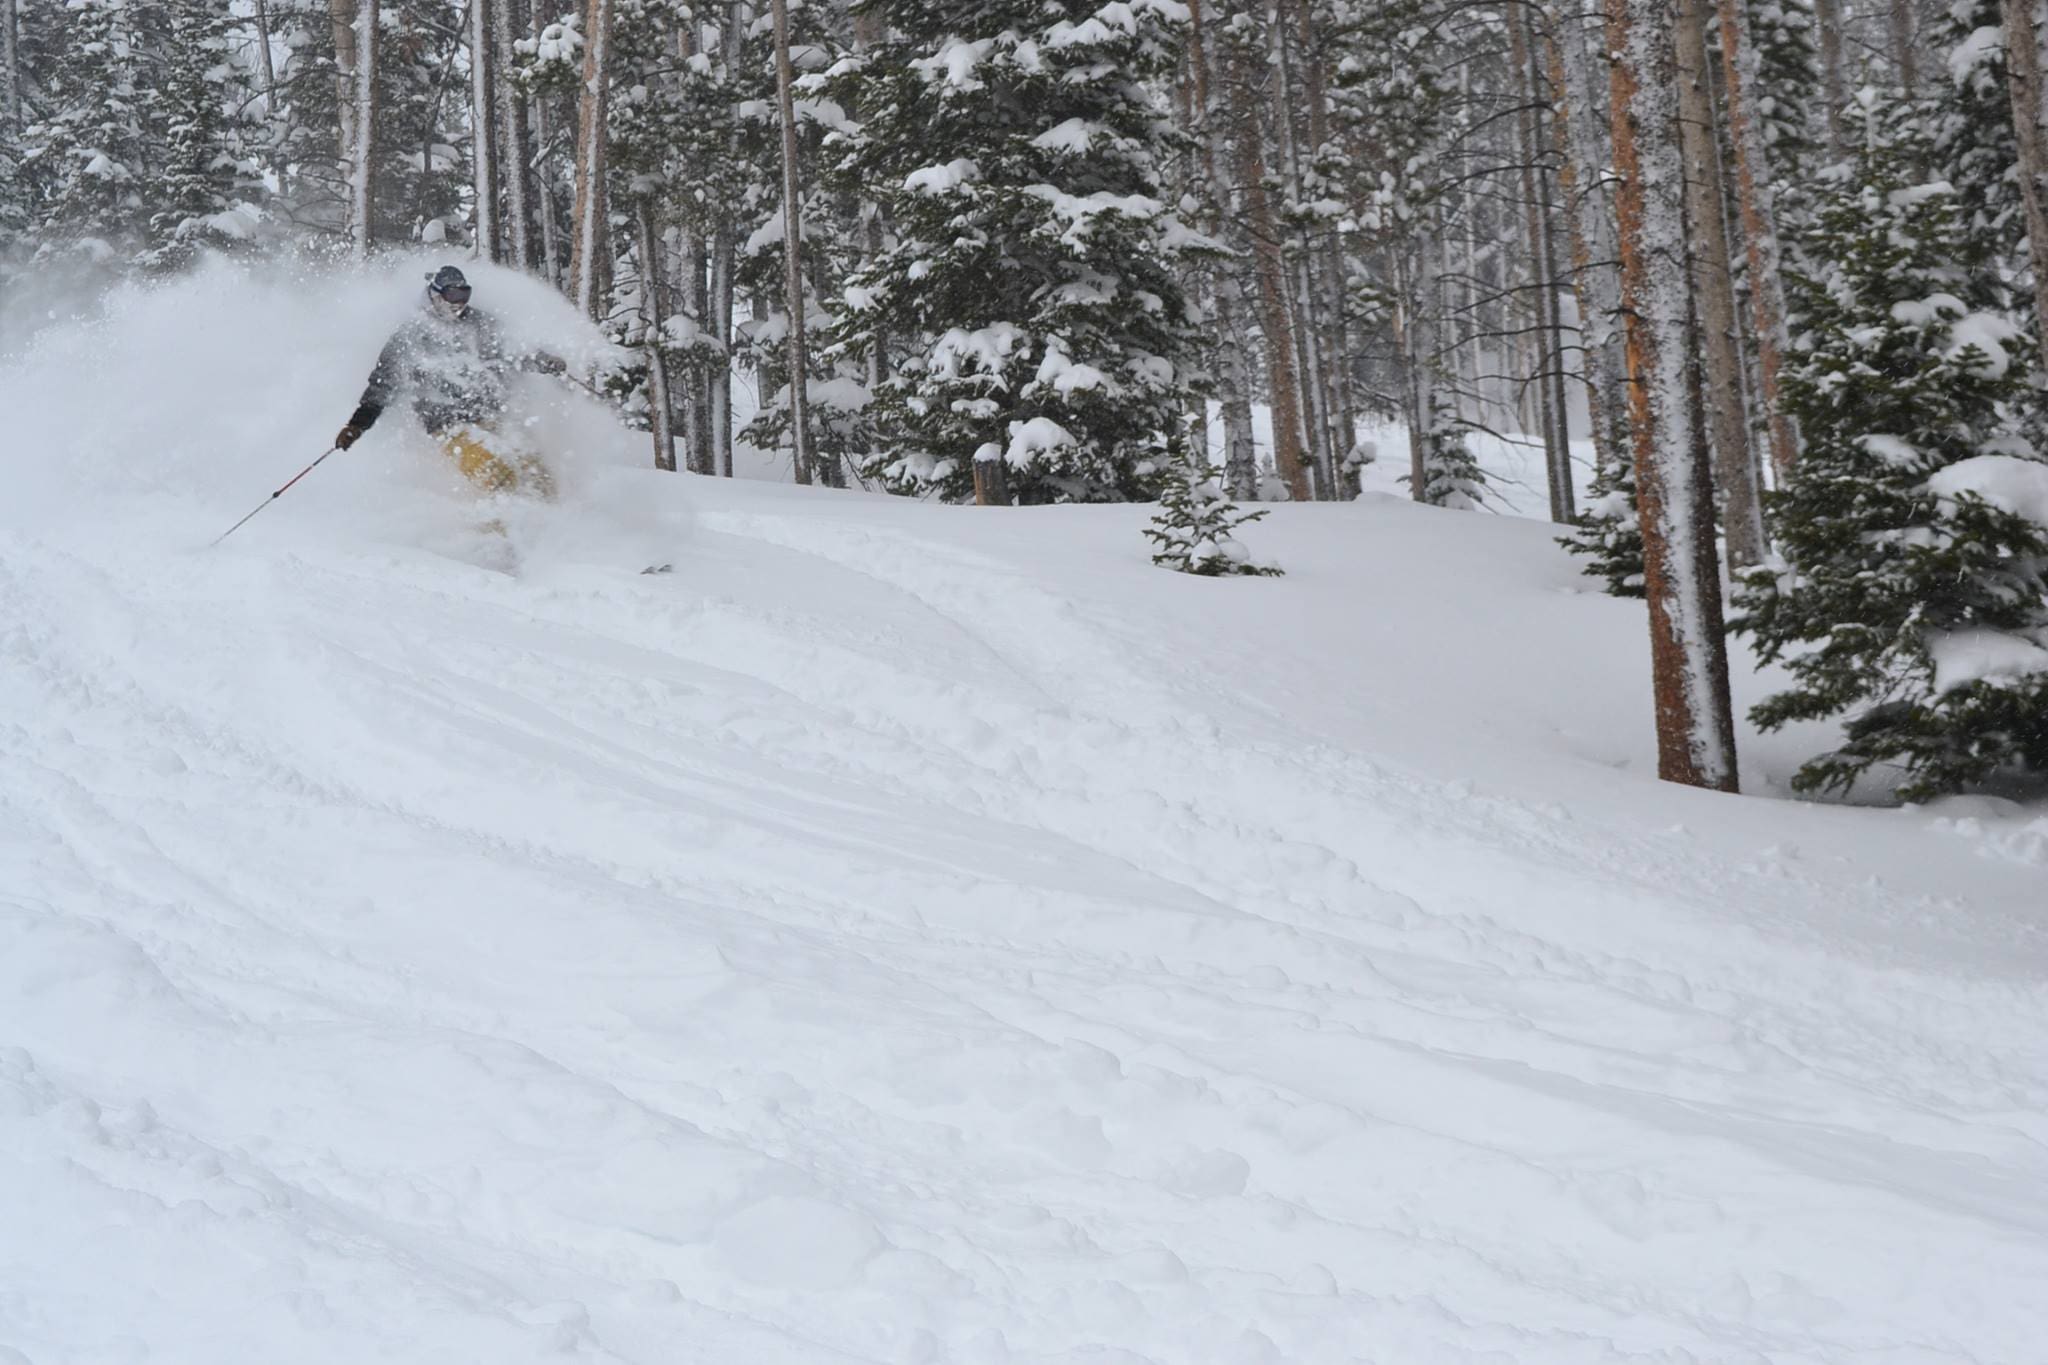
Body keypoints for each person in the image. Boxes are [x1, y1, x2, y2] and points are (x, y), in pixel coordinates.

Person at [335, 265, 566, 498]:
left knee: (536, 472)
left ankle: (550, 526)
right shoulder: (412, 334)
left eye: (465, 294)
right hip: (448, 425)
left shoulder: (479, 323)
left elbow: (511, 350)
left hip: (490, 413)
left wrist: (543, 362)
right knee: (497, 475)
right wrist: (357, 425)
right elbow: (383, 383)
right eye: (452, 295)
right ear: (435, 294)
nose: (459, 302)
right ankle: (500, 530)